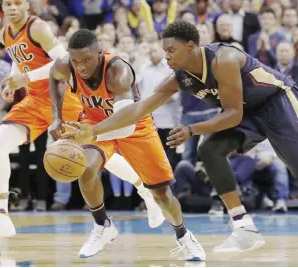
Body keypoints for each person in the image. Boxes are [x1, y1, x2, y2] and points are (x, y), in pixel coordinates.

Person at [63, 21, 298, 266]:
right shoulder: (179, 76)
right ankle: (243, 226)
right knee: (209, 150)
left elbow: (230, 114)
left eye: (171, 50)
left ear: (191, 47)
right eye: (164, 50)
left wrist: (193, 127)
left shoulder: (223, 60)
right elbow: (139, 107)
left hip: (279, 104)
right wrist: (92, 133)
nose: (166, 56)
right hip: (248, 114)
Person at [0, 0, 164, 250]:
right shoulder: (4, 32)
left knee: (94, 152)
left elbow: (62, 63)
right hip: (34, 100)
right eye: (7, 3)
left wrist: (26, 76)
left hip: (63, 99)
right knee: (0, 141)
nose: (11, 7)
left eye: (17, 3)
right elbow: (17, 60)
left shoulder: (38, 28)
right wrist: (13, 81)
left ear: (27, 7)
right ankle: (1, 212)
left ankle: (145, 191)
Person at [49, 29, 205, 261]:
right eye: (76, 61)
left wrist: (90, 135)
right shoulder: (66, 65)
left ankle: (183, 236)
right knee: (86, 168)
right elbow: (53, 75)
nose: (81, 67)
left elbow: (125, 126)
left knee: (162, 194)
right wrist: (57, 116)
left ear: (99, 52)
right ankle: (103, 226)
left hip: (135, 126)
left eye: (87, 60)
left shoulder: (117, 71)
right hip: (94, 121)